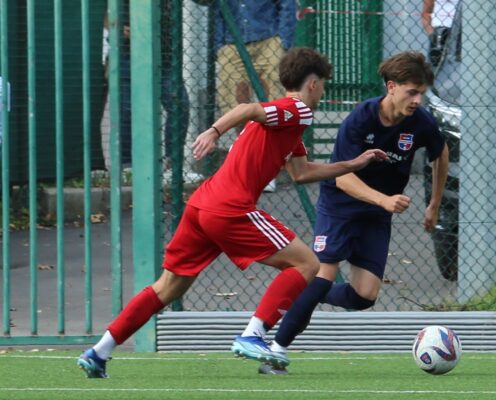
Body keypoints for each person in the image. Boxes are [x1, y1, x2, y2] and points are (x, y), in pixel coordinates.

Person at [77, 47, 389, 378]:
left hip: (202, 205)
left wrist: (353, 164)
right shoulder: (297, 110)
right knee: (307, 263)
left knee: (168, 286)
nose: (323, 91)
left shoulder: (288, 126)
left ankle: (99, 351)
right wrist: (214, 131)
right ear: (312, 84)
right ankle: (253, 334)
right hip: (230, 207)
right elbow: (248, 107)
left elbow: (301, 172)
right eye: (324, 84)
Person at [259, 51, 449, 375]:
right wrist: (385, 200)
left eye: (421, 93)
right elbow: (342, 177)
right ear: (391, 87)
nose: (418, 99)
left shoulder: (421, 122)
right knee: (322, 276)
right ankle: (275, 352)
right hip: (341, 207)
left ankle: (308, 292)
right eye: (411, 91)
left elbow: (440, 153)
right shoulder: (360, 119)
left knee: (364, 295)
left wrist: (434, 203)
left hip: (376, 214)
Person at [200, 0, 297, 192]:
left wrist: (283, 40)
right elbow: (215, 6)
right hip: (231, 41)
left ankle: (266, 168)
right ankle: (249, 164)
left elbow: (287, 3)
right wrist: (219, 46)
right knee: (234, 105)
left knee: (273, 105)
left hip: (268, 38)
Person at [114, 0, 190, 167]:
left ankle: (172, 162)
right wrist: (118, 28)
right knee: (128, 111)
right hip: (131, 56)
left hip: (165, 56)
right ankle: (127, 165)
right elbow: (109, 14)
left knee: (179, 106)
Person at [421, 0, 458, 67]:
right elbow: (425, 14)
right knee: (436, 66)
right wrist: (431, 34)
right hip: (439, 33)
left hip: (458, 31)